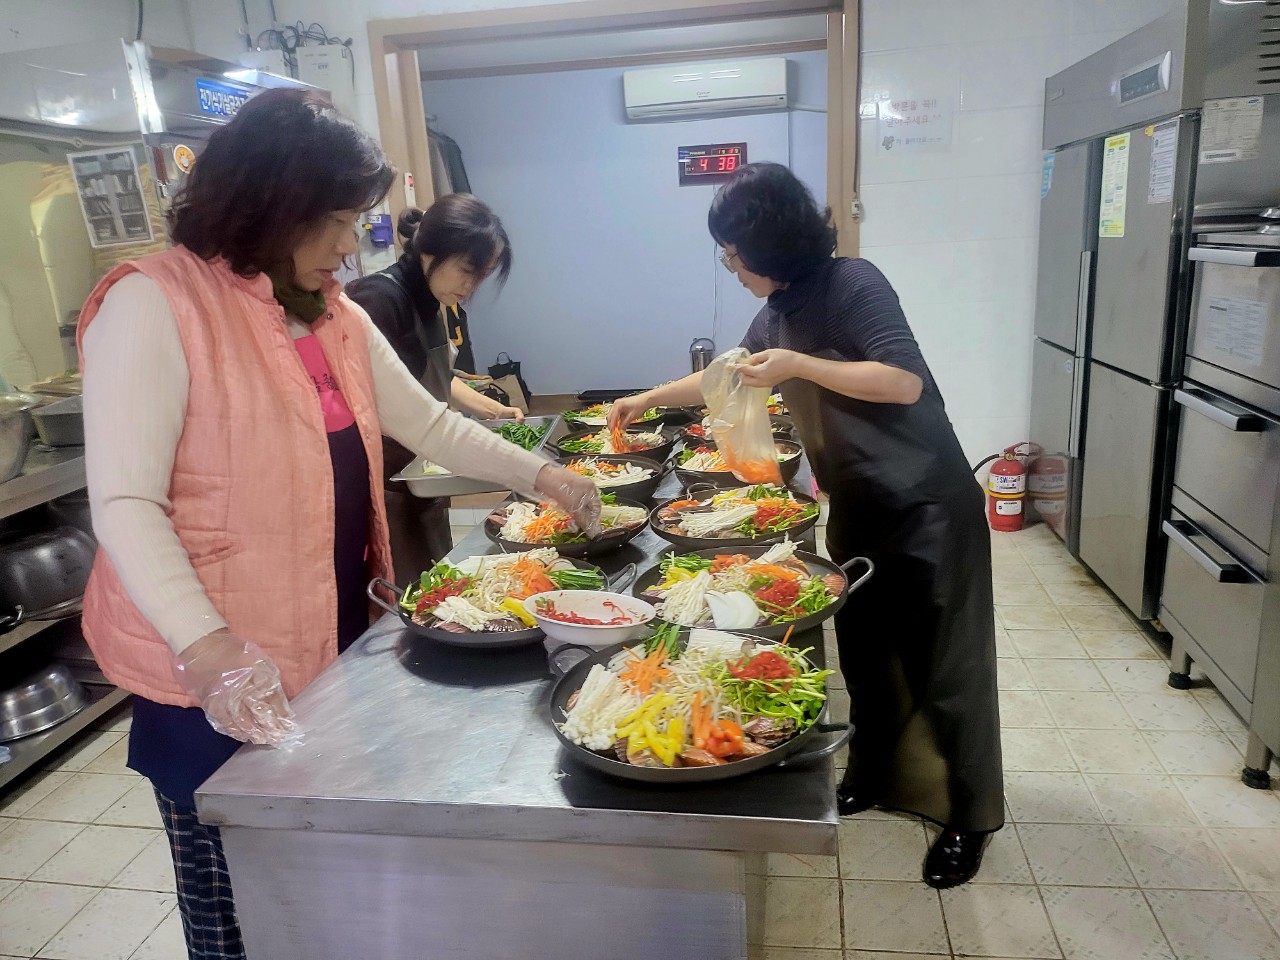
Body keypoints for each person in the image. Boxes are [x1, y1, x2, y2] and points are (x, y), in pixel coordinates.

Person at [78, 89, 599, 960]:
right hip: (214, 665)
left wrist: (545, 476)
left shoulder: (331, 312)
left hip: (329, 641)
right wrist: (206, 645)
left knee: (321, 886)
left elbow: (429, 424)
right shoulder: (156, 302)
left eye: (355, 220)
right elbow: (127, 502)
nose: (351, 244)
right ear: (268, 203)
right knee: (234, 894)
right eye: (335, 220)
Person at [609, 162, 1003, 888]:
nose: (731, 268)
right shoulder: (778, 306)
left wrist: (802, 365)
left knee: (946, 665)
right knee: (869, 653)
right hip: (858, 502)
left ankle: (967, 816)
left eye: (734, 254)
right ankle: (876, 775)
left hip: (925, 502)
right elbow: (726, 375)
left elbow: (902, 381)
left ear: (773, 245)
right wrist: (645, 400)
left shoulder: (853, 283)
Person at [346, 195, 522, 582]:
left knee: (436, 582)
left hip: (423, 470)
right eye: (467, 270)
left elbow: (439, 376)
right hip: (388, 484)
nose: (471, 286)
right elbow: (385, 402)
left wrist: (494, 411)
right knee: (406, 592)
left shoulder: (432, 297)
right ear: (430, 250)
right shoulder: (379, 301)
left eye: (482, 276)